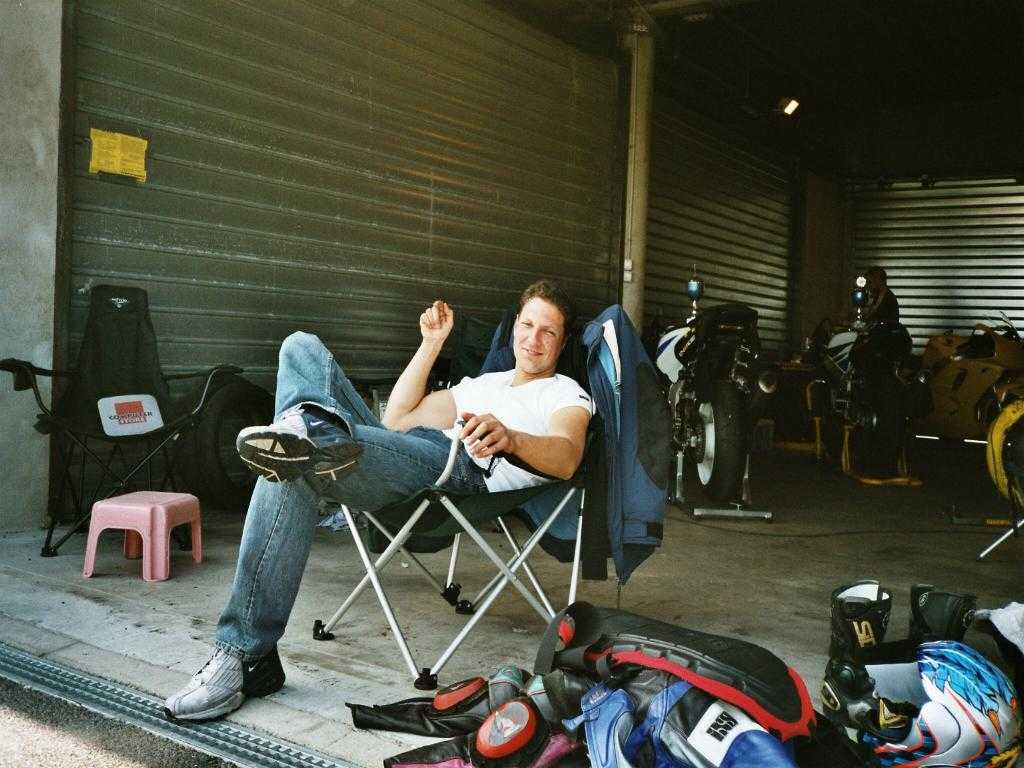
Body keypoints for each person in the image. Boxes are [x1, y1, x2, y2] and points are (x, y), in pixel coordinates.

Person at [162, 279, 594, 723]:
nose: (533, 339)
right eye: (527, 325)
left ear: (561, 343)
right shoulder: (487, 383)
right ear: (515, 326)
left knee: (291, 463)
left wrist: (513, 438)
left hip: (450, 468)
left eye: (548, 331)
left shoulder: (565, 393)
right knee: (300, 347)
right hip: (406, 451)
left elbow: (567, 457)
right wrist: (431, 344)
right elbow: (398, 421)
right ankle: (309, 432)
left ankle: (242, 654)